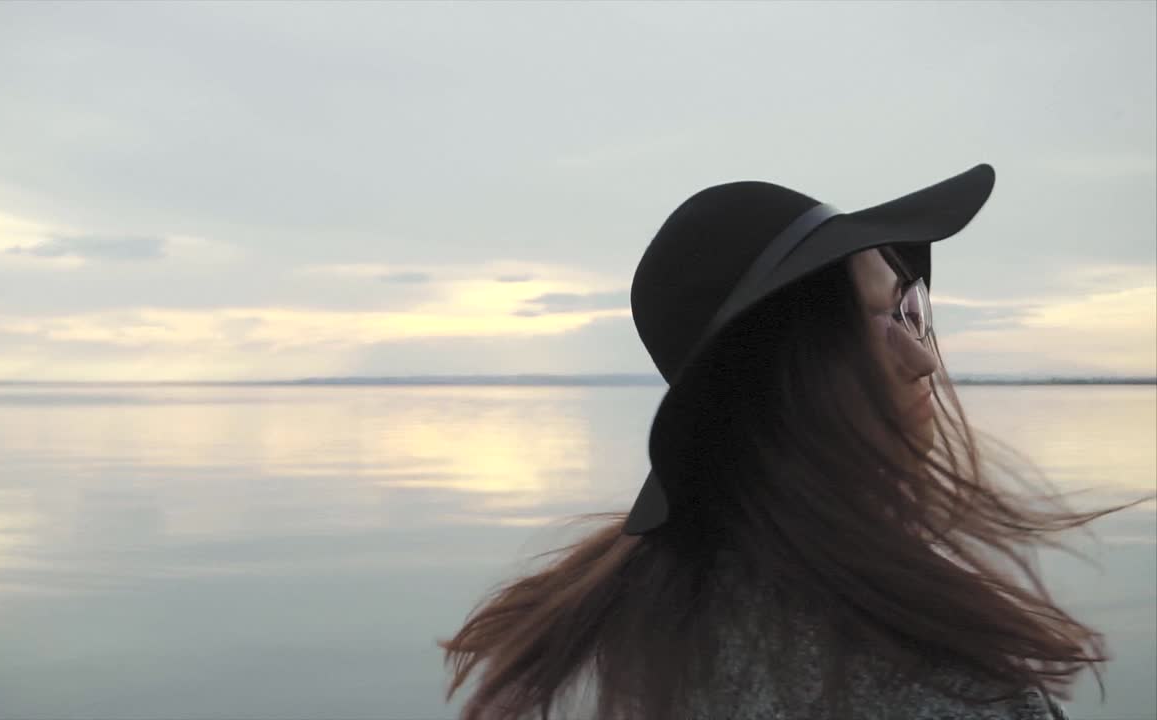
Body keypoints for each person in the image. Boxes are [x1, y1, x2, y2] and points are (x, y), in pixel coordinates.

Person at [438, 164, 1153, 719]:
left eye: (914, 307)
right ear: (788, 374)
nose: (925, 357)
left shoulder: (576, 634)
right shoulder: (931, 682)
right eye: (884, 318)